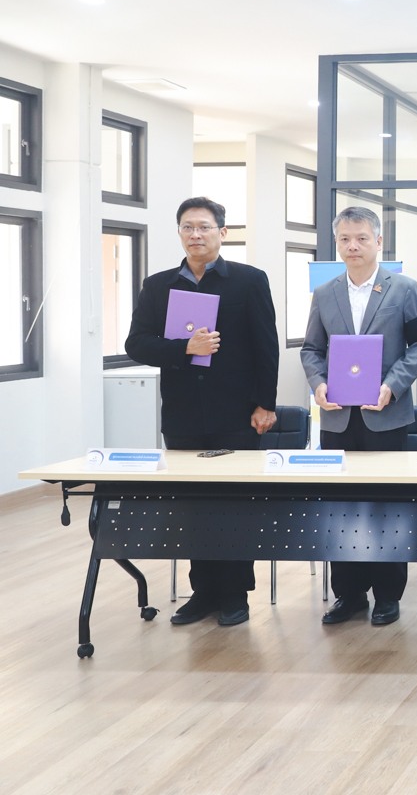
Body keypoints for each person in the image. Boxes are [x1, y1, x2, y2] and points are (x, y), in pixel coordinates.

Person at [124, 197, 279, 628]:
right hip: (183, 415)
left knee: (234, 504)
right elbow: (136, 343)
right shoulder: (158, 286)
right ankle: (202, 593)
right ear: (179, 232)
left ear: (222, 233)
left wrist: (266, 403)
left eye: (205, 227)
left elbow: (266, 345)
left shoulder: (248, 280)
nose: (196, 235)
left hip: (237, 414)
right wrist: (183, 349)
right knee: (191, 507)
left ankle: (234, 595)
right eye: (188, 227)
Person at [302, 206, 417, 627]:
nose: (353, 246)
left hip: (386, 416)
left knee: (386, 506)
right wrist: (318, 384)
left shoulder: (405, 289)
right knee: (341, 508)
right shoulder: (324, 293)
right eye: (345, 239)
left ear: (379, 242)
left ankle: (387, 595)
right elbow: (311, 350)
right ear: (336, 243)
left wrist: (392, 385)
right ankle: (349, 594)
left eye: (361, 238)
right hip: (337, 420)